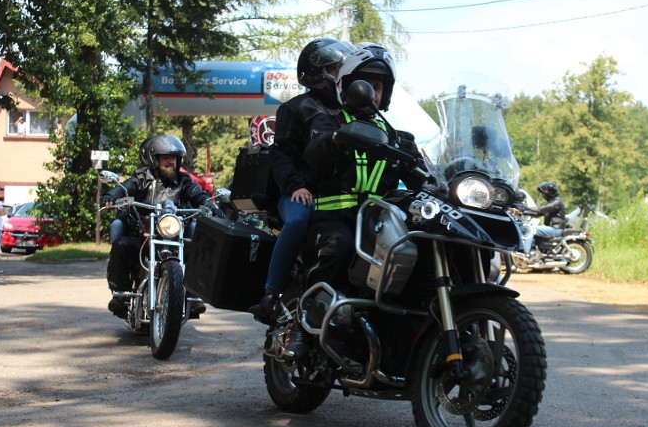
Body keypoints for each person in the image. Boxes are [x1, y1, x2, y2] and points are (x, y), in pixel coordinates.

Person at [286, 44, 425, 359]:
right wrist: (337, 140)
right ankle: (302, 326)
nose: (371, 93)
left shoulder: (398, 136)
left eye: (378, 87)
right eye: (366, 86)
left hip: (376, 222)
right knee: (340, 246)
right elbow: (314, 151)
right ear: (348, 87)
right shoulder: (330, 122)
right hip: (334, 219)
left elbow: (424, 177)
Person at [247, 37, 356, 321]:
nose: (341, 75)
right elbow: (280, 154)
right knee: (298, 219)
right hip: (297, 192)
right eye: (335, 69)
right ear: (316, 72)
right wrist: (297, 185)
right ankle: (270, 295)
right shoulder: (294, 109)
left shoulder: (350, 110)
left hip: (337, 196)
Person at [100, 134, 224, 318]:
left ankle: (192, 295)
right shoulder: (141, 177)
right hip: (143, 234)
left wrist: (210, 206)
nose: (170, 162)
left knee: (198, 242)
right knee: (121, 244)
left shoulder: (184, 181)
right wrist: (112, 195)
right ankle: (120, 295)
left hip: (173, 234)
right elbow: (125, 188)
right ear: (153, 159)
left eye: (173, 158)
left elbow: (199, 196)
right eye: (165, 157)